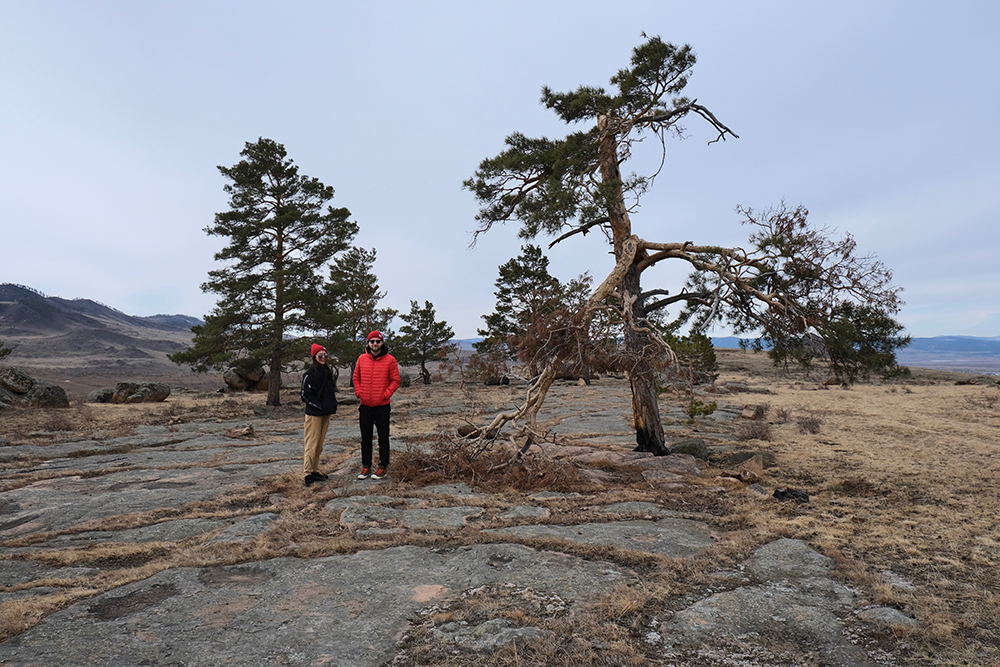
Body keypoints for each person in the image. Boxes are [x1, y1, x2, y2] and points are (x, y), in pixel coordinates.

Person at [352, 330, 400, 480]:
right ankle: (366, 467)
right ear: (368, 343)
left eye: (377, 341)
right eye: (372, 341)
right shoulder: (361, 359)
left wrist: (385, 394)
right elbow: (356, 377)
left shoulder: (390, 360)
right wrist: (359, 392)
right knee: (365, 438)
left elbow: (395, 380)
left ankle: (383, 467)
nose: (374, 344)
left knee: (383, 438)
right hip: (365, 406)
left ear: (382, 343)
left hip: (382, 406)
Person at [301, 343, 338, 486]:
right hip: (314, 414)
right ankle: (308, 473)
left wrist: (331, 406)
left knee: (319, 444)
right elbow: (305, 395)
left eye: (325, 355)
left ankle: (315, 470)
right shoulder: (309, 374)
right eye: (320, 355)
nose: (323, 358)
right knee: (311, 443)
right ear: (314, 357)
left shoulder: (326, 372)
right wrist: (318, 405)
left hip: (325, 413)